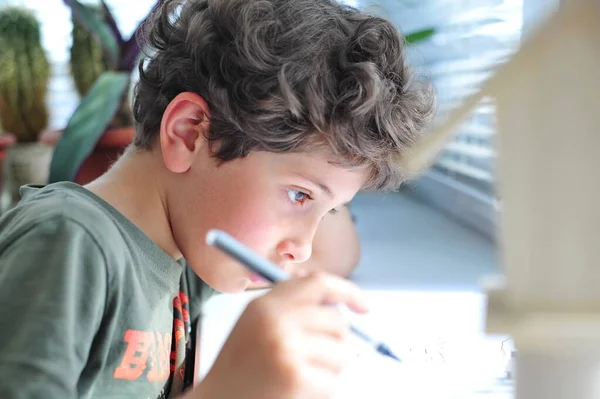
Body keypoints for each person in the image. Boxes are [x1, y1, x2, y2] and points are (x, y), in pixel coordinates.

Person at [0, 0, 434, 398]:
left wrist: (323, 187)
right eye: (299, 195)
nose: (302, 247)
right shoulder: (69, 243)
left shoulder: (182, 253)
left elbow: (335, 256)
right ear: (189, 133)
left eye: (332, 209)